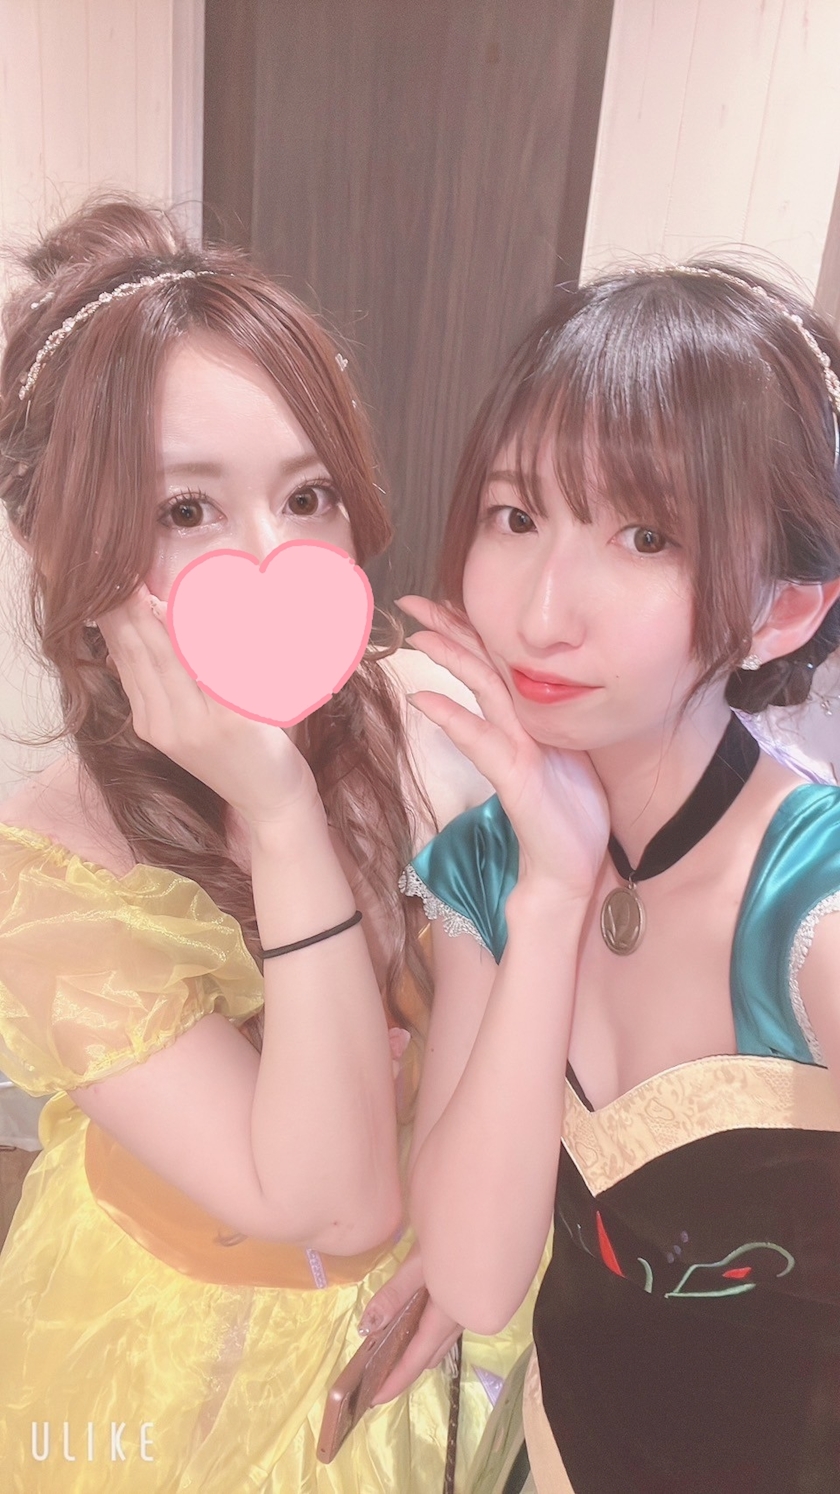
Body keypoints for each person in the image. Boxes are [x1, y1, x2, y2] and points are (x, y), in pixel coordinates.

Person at [0, 197, 531, 1492]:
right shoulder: (48, 874)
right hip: (175, 1358)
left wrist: (469, 1221)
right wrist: (282, 813)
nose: (271, 558)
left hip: (425, 1314)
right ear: (58, 540)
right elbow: (336, 1198)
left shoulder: (427, 722)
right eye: (187, 508)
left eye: (308, 496)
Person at [399, 262, 840, 1494]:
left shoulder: (812, 902)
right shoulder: (489, 867)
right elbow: (477, 1277)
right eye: (515, 516)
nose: (543, 613)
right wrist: (549, 895)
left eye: (646, 537)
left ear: (783, 610)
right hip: (561, 1449)